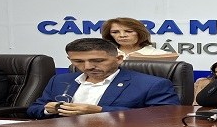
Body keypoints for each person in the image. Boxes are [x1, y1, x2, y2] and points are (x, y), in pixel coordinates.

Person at [27, 38, 180, 118]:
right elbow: (33, 109)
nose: (87, 67)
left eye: (97, 61)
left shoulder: (152, 84)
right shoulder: (60, 80)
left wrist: (100, 111)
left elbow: (165, 117)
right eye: (78, 61)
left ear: (119, 59)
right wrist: (49, 110)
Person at [101, 17, 179, 61]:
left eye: (129, 31)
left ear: (140, 33)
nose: (122, 35)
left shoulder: (159, 54)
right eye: (115, 32)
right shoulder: (103, 54)